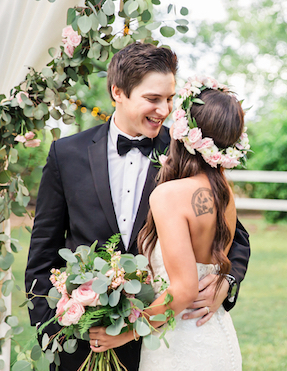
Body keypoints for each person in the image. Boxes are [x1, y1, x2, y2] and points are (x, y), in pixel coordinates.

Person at [24, 44, 250, 371]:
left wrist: (225, 282)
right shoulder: (65, 154)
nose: (164, 110)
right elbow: (43, 248)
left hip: (162, 336)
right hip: (86, 338)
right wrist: (55, 328)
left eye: (170, 99)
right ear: (118, 91)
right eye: (153, 99)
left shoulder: (187, 154)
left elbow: (235, 237)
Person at [87, 76, 248, 370]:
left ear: (182, 131)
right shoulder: (225, 192)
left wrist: (127, 333)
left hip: (179, 347)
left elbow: (184, 290)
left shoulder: (168, 195)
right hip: (216, 335)